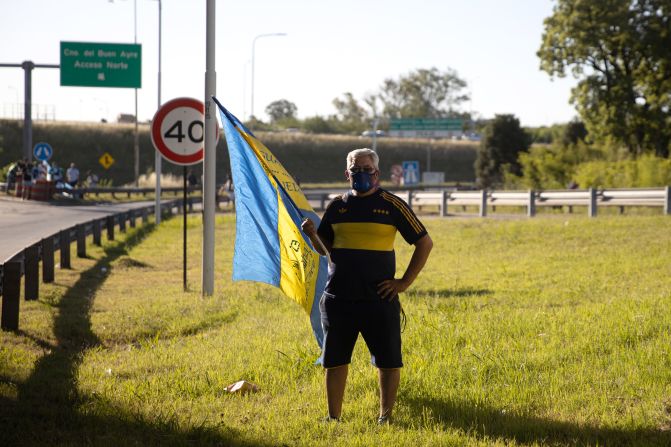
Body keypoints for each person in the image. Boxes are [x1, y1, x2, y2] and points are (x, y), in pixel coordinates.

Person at [301, 148, 433, 424]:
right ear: (347, 173)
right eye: (355, 170)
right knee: (334, 360)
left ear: (377, 173)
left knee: (388, 361)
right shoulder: (337, 206)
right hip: (338, 298)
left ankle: (385, 417)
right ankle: (333, 417)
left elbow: (424, 242)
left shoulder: (392, 204)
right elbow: (326, 249)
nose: (361, 174)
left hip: (379, 298)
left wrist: (404, 282)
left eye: (367, 169)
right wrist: (313, 234)